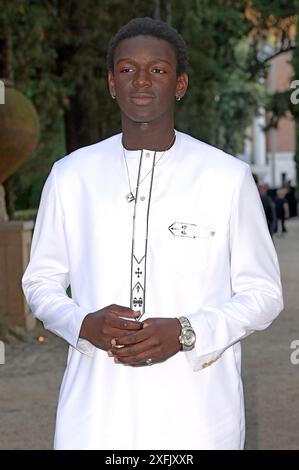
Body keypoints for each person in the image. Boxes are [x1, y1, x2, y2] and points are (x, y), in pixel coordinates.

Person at [22, 17, 283, 450]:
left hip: (198, 414)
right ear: (111, 82)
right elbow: (40, 281)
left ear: (179, 84)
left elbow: (264, 293)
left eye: (158, 70)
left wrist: (187, 331)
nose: (141, 80)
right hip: (94, 411)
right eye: (127, 69)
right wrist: (82, 322)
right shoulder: (71, 176)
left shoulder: (226, 177)